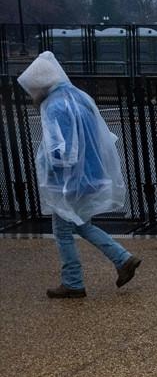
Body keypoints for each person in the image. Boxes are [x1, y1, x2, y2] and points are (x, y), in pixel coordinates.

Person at [17, 52, 141, 298]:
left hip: (68, 181)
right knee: (82, 224)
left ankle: (73, 282)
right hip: (90, 174)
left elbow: (61, 150)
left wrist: (51, 172)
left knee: (63, 231)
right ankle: (122, 258)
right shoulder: (78, 97)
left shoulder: (54, 106)